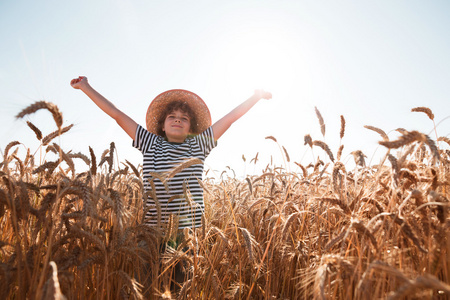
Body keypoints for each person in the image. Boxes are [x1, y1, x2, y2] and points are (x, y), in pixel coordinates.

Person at [70, 76, 271, 231]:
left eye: (184, 118)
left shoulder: (199, 145)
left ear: (191, 128)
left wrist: (255, 97)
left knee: (181, 284)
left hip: (187, 234)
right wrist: (86, 87)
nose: (178, 120)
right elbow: (116, 114)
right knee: (149, 281)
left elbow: (229, 119)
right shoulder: (150, 142)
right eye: (172, 117)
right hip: (151, 231)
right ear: (162, 126)